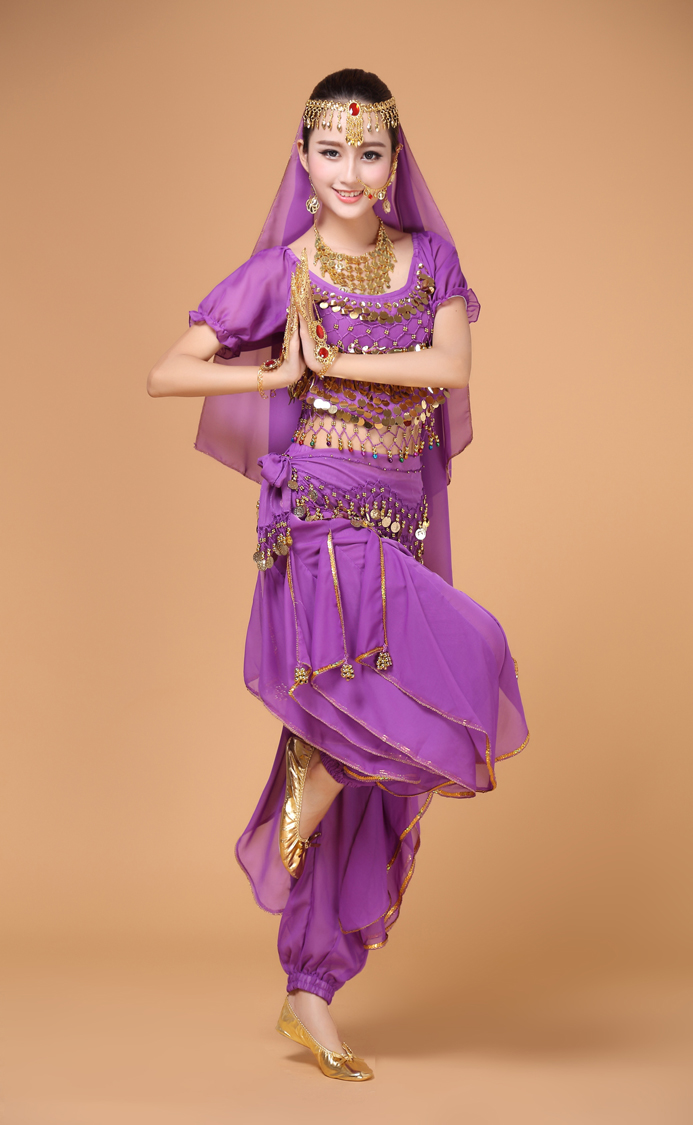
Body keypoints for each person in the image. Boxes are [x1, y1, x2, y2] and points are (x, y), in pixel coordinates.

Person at [147, 68, 529, 1082]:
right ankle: (290, 806)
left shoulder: (429, 259)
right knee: (378, 707)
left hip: (399, 515)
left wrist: (332, 362)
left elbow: (450, 368)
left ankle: (309, 987)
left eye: (369, 152)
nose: (350, 172)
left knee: (401, 721)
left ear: (394, 160)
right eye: (330, 152)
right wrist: (275, 372)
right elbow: (166, 370)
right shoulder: (283, 272)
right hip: (317, 513)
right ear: (304, 160)